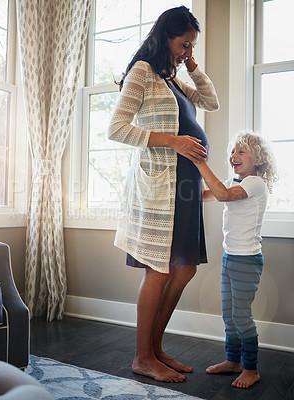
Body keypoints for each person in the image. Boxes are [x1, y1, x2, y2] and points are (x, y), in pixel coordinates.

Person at [107, 6, 219, 383]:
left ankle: (155, 347)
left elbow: (210, 102)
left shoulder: (171, 79)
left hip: (185, 187)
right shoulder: (143, 73)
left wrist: (192, 67)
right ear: (165, 37)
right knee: (159, 269)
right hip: (159, 189)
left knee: (184, 268)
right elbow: (117, 129)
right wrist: (172, 141)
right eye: (183, 43)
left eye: (191, 46)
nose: (187, 50)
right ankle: (142, 356)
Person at [193, 131, 277, 389]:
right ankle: (234, 361)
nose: (234, 156)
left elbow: (224, 195)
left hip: (247, 260)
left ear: (259, 160)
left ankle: (251, 368)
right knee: (229, 316)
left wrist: (199, 162)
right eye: (233, 151)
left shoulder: (254, 184)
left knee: (241, 317)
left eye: (242, 152)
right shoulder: (234, 181)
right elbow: (210, 193)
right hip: (230, 257)